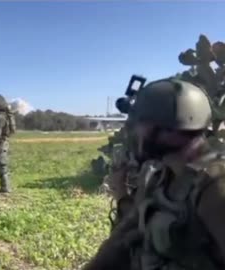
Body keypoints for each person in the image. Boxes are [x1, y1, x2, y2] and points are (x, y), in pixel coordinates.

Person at [83, 78, 225, 269]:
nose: (132, 134)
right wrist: (122, 196)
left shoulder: (214, 185)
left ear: (167, 130)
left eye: (139, 125)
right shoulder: (158, 177)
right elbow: (124, 239)